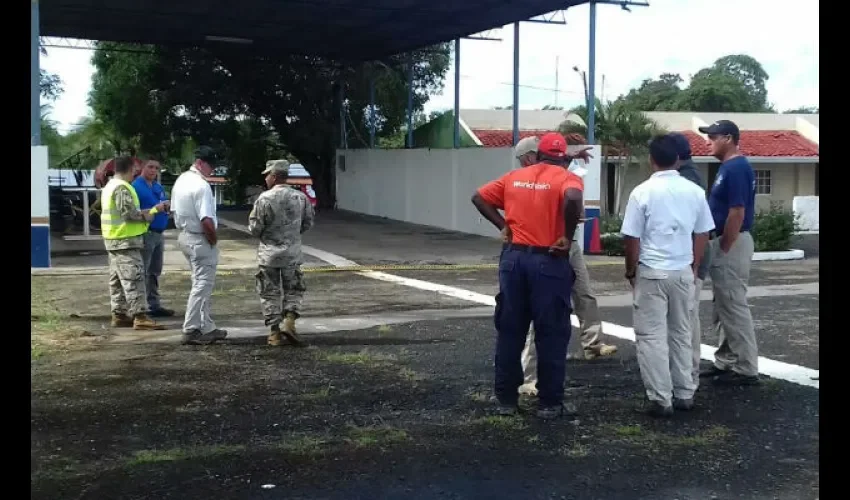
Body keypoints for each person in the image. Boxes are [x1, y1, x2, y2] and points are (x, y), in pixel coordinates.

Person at [472, 132, 585, 420]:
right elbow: (573, 198)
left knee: (511, 330)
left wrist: (503, 226)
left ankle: (506, 401)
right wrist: (567, 235)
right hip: (549, 259)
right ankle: (549, 403)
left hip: (513, 259)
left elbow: (478, 197)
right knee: (551, 331)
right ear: (562, 157)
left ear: (538, 154)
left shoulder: (514, 177)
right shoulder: (567, 178)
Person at [514, 138, 617, 397]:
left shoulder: (552, 173)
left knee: (584, 293)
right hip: (547, 249)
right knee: (542, 312)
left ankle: (592, 343)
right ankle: (530, 376)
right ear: (531, 157)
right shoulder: (528, 181)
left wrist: (572, 155)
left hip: (566, 244)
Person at [620, 135, 714, 417]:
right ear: (678, 159)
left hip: (652, 271)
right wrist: (694, 265)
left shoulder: (642, 192)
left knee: (651, 336)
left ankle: (661, 398)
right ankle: (685, 392)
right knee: (682, 333)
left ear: (652, 159)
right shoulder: (694, 191)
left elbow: (632, 237)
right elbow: (703, 233)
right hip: (682, 270)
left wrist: (631, 269)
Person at [698, 120, 760, 386]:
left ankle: (746, 367)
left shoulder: (735, 168)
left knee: (733, 305)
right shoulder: (729, 167)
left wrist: (724, 245)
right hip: (726, 240)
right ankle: (726, 360)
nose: (708, 142)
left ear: (728, 138)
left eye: (713, 137)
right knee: (723, 305)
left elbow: (737, 211)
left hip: (731, 242)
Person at [248, 160, 315, 347]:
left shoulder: (264, 199)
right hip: (292, 253)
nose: (265, 178)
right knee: (294, 289)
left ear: (275, 176)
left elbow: (255, 228)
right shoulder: (300, 198)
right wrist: (292, 235)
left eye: (267, 175)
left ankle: (274, 333)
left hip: (269, 254)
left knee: (269, 292)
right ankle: (289, 322)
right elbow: (308, 222)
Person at [100, 155, 168, 331]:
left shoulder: (109, 186)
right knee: (134, 278)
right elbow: (130, 214)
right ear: (130, 169)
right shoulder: (122, 188)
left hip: (114, 238)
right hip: (126, 240)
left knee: (117, 279)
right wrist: (150, 214)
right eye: (134, 171)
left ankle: (119, 313)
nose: (135, 174)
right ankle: (140, 316)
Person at [171, 146, 228, 345]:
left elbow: (174, 210)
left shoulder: (182, 180)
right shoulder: (201, 186)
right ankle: (191, 328)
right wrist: (212, 239)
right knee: (202, 285)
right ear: (200, 163)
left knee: (199, 282)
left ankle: (206, 325)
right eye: (210, 165)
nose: (212, 169)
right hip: (199, 237)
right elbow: (206, 220)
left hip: (185, 235)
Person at [669, 132, 712, 389]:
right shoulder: (687, 175)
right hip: (688, 259)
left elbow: (699, 229)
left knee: (685, 318)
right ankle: (685, 372)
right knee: (684, 317)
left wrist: (694, 265)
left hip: (689, 260)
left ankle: (688, 374)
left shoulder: (687, 179)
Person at [132, 160, 175, 318]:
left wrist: (166, 207)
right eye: (150, 167)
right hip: (146, 231)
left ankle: (154, 304)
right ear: (142, 168)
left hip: (159, 232)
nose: (153, 170)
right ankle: (142, 306)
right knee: (143, 270)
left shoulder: (157, 187)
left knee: (154, 270)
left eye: (156, 168)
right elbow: (134, 211)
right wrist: (154, 209)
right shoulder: (136, 186)